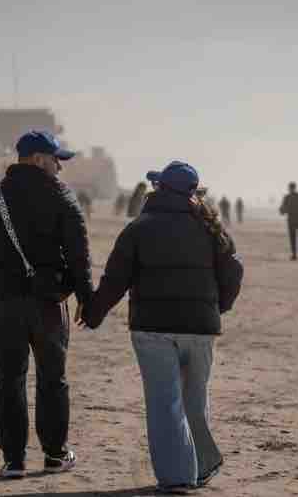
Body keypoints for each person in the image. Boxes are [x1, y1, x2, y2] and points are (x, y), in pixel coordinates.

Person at [83, 161, 243, 493]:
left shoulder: (139, 228)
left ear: (159, 190)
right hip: (200, 328)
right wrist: (218, 307)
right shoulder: (212, 228)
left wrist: (94, 312)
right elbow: (233, 272)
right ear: (193, 193)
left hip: (153, 329)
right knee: (194, 402)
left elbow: (116, 279)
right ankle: (199, 468)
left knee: (165, 403)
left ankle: (178, 477)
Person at [0, 130, 93, 478]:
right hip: (47, 302)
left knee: (8, 378)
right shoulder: (59, 195)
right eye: (56, 160)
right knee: (53, 378)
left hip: (2, 301)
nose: (59, 169)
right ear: (38, 159)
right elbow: (79, 253)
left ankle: (14, 461)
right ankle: (54, 455)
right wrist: (83, 295)